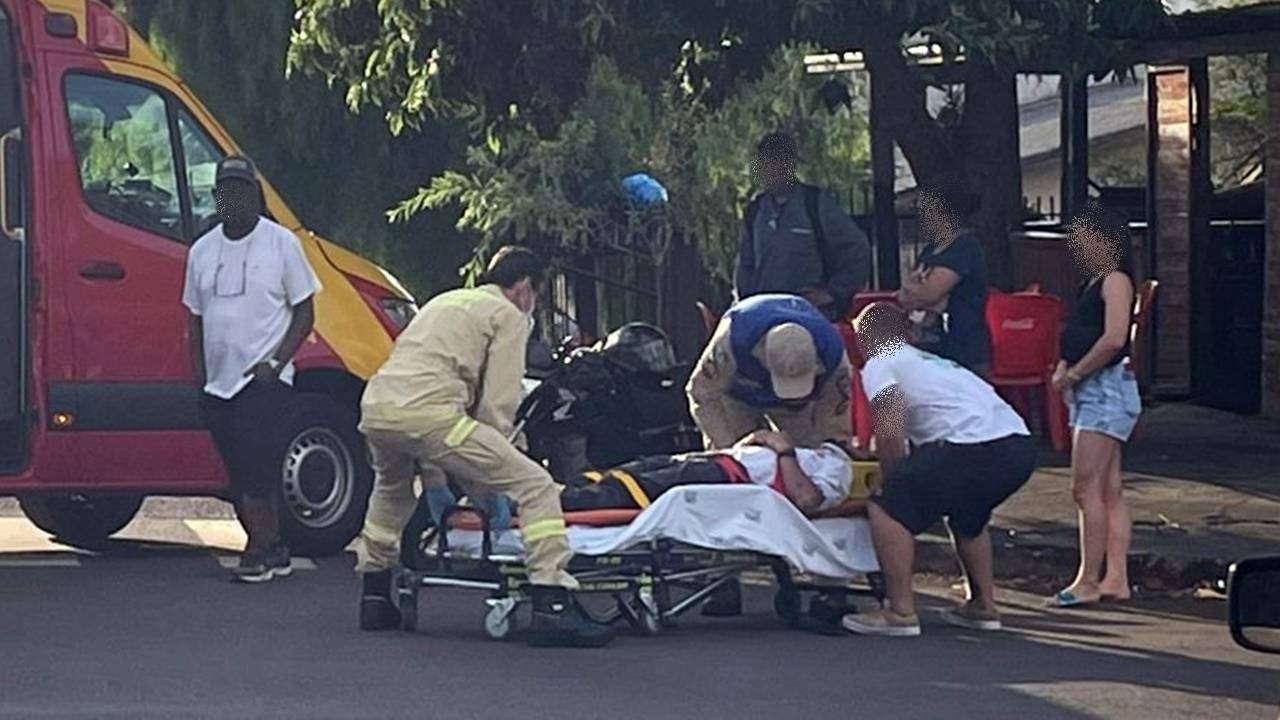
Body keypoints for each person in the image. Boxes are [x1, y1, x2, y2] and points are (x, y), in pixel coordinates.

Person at [354, 246, 613, 648]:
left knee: (390, 492)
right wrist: (494, 475)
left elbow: (425, 385)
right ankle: (552, 601)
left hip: (378, 409)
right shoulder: (508, 315)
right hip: (431, 415)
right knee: (536, 486)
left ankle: (374, 594)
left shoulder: (447, 300)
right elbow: (497, 405)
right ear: (524, 288)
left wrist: (442, 476)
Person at [841, 303, 1036, 638]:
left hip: (970, 446)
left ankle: (899, 612)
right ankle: (983, 606)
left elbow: (890, 434)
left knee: (887, 506)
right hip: (1017, 446)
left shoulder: (880, 362)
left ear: (865, 338)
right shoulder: (933, 362)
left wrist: (891, 486)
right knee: (967, 515)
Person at [184, 155, 320, 583]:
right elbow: (195, 318)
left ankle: (258, 548)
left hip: (264, 379)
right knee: (239, 472)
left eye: (243, 191)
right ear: (216, 197)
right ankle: (273, 546)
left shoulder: (281, 244)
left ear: (256, 195)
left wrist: (276, 361)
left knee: (257, 465)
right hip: (219, 384)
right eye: (226, 191)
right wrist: (200, 379)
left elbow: (304, 312)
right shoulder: (202, 251)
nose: (234, 199)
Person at [1048, 205, 1141, 608]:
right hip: (1094, 387)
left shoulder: (1115, 280)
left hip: (1103, 389)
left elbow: (1113, 337)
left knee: (1085, 486)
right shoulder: (1094, 282)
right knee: (1108, 488)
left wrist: (1075, 373)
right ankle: (1115, 576)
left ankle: (1088, 579)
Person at [687, 294, 852, 451]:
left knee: (808, 456)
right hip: (734, 395)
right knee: (740, 464)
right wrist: (731, 450)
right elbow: (703, 393)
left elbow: (835, 412)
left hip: (797, 409)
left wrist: (835, 449)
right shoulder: (731, 340)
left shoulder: (833, 352)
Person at [734, 132, 871, 320]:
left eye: (779, 161)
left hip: (810, 314)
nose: (773, 169)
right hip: (765, 315)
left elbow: (858, 250)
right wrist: (749, 302)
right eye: (767, 162)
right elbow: (745, 267)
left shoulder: (815, 205)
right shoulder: (755, 211)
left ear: (791, 164)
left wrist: (832, 292)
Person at [559, 431, 852, 516]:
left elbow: (805, 499)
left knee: (633, 488)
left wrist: (784, 451)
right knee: (622, 474)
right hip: (714, 462)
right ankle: (558, 492)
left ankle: (556, 502)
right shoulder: (821, 451)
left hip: (726, 478)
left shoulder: (840, 470)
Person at [896, 175, 991, 375]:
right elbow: (906, 296)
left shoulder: (964, 247)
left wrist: (922, 294)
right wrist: (918, 295)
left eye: (925, 209)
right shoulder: (930, 251)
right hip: (930, 345)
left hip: (963, 346)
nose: (920, 215)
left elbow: (929, 293)